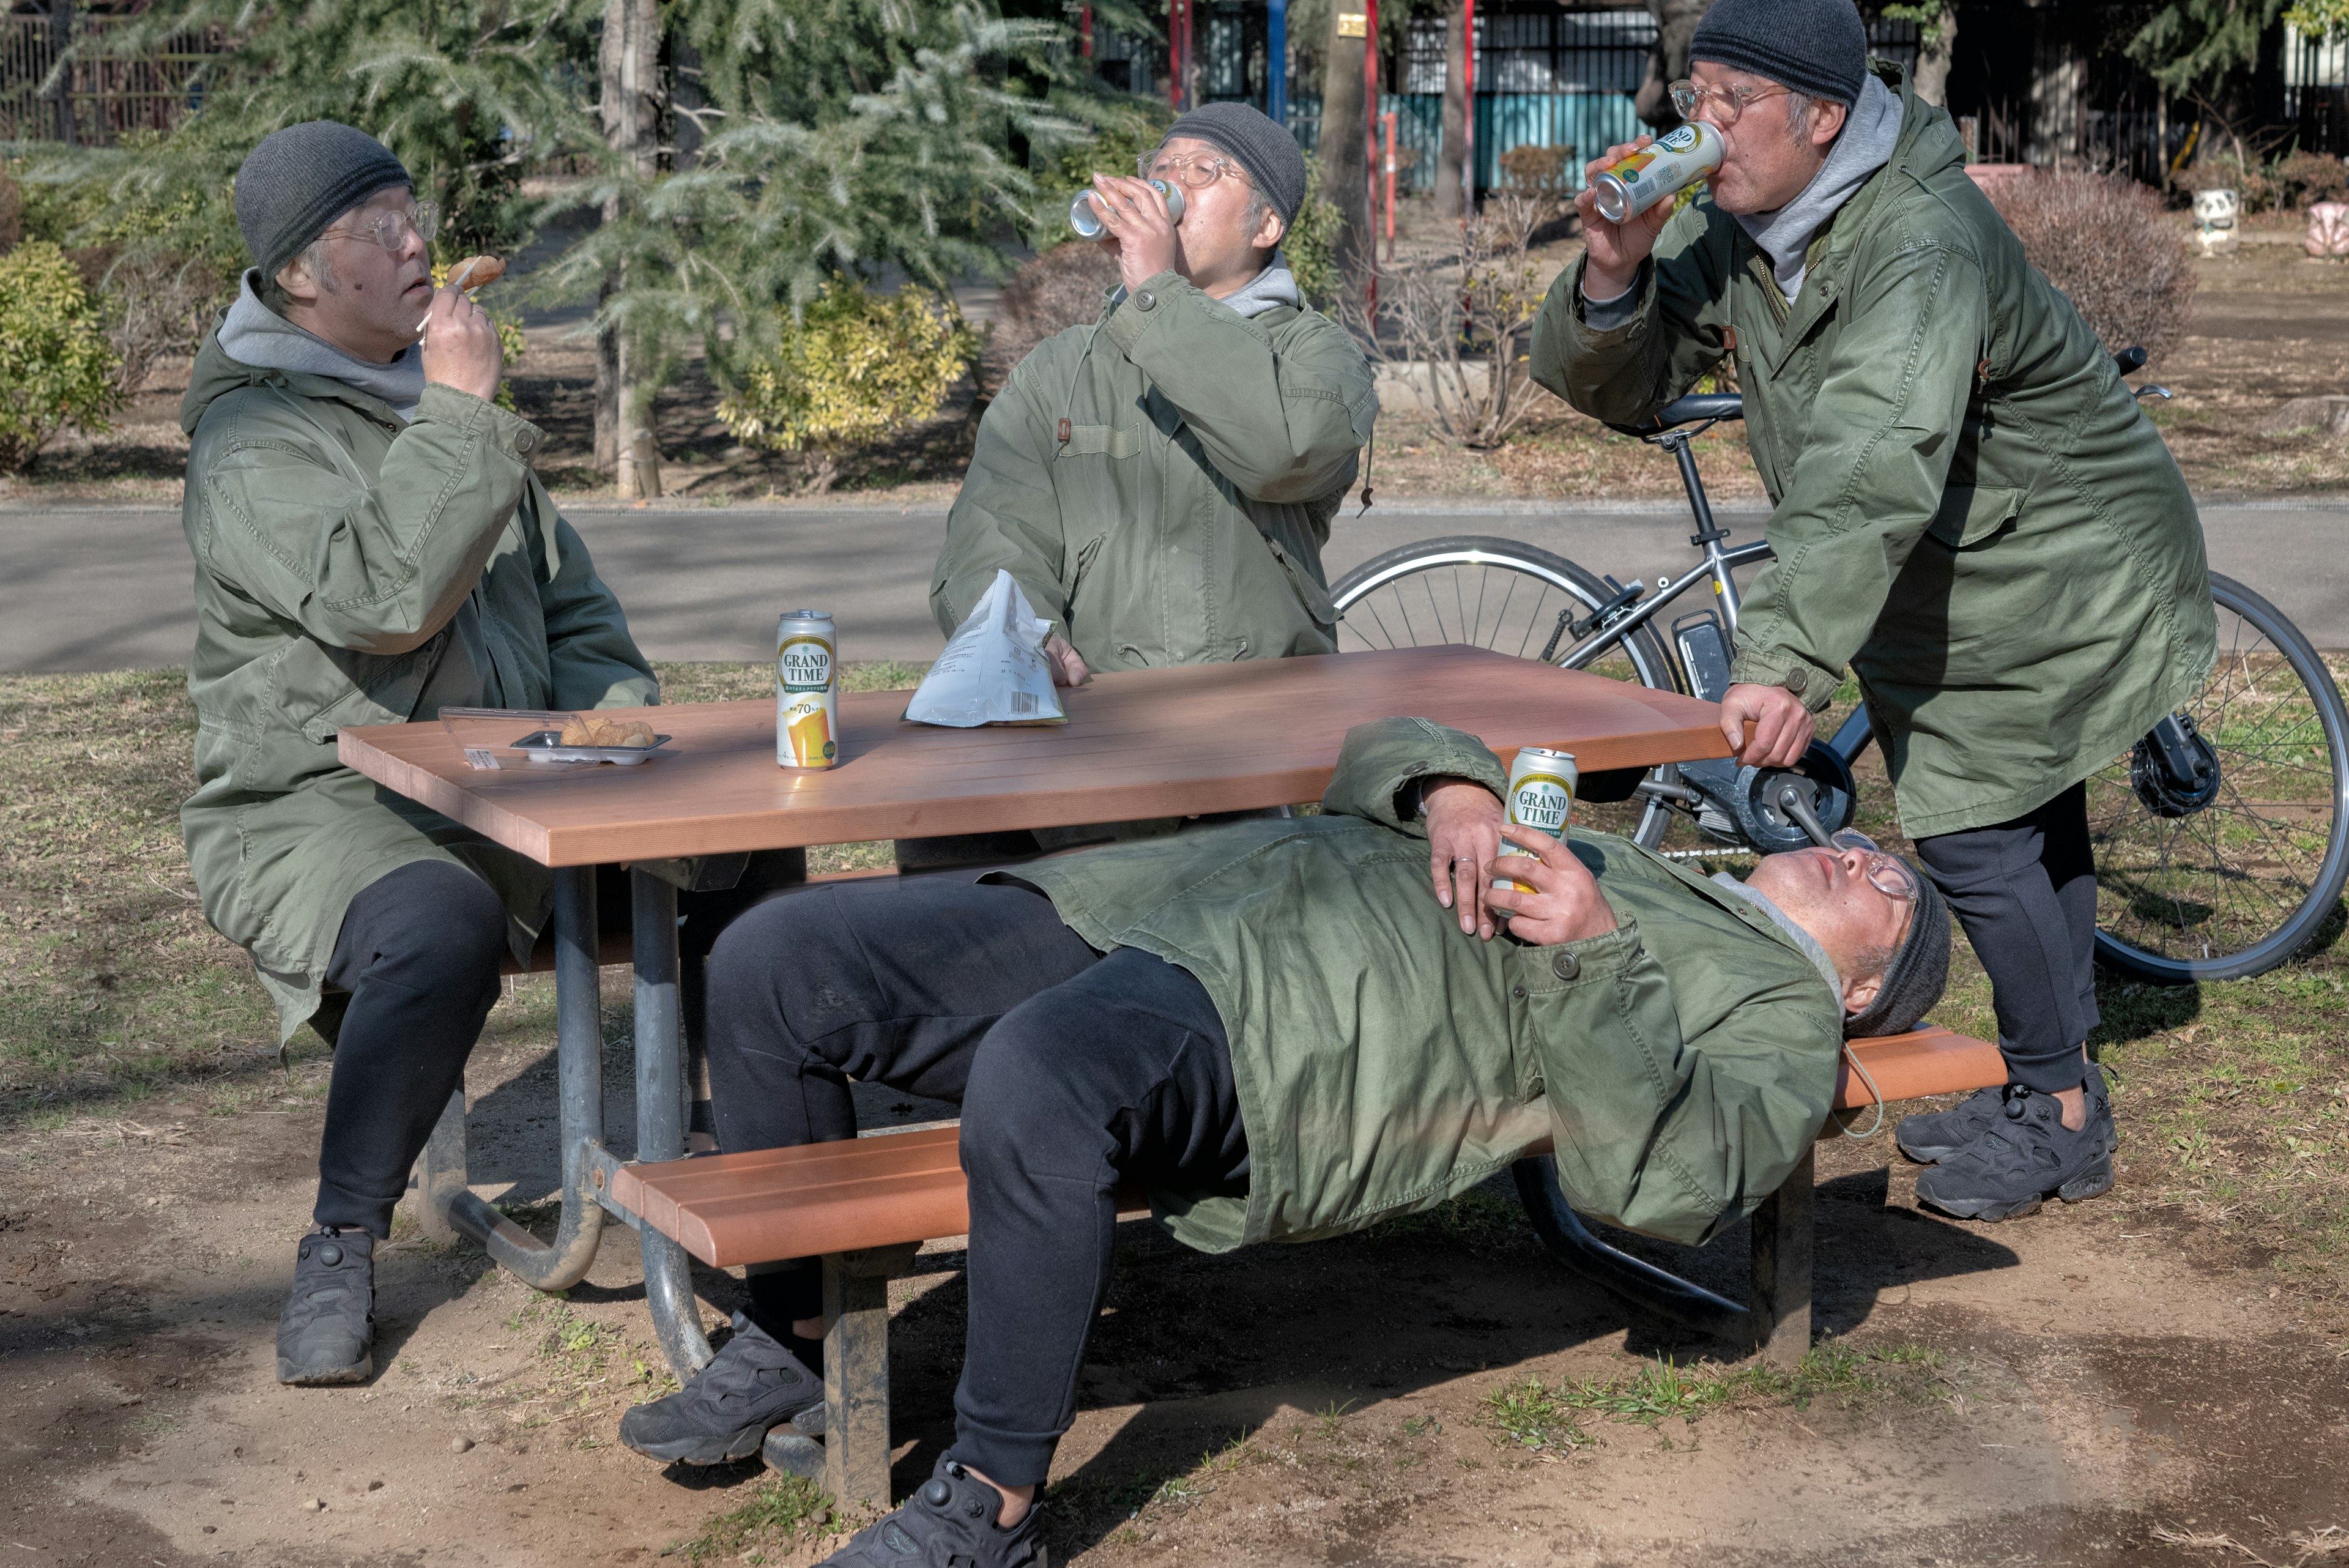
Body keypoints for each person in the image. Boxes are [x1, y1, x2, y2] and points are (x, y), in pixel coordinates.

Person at [619, 716, 1951, 1567]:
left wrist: (1597, 955)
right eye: (1866, 846)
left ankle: (991, 1500)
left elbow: (1665, 1181)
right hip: (1170, 902)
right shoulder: (1664, 860)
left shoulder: (1778, 1011)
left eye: (1891, 894)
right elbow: (1382, 741)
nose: (1861, 861)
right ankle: (789, 1339)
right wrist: (1448, 792)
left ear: (1859, 996)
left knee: (1043, 1074)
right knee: (777, 955)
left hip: (1305, 1025)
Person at [1529, 0, 2217, 1222]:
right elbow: (1627, 385)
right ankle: (2054, 1086)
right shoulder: (1747, 226)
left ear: (1825, 116)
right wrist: (1614, 269)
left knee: (1972, 834)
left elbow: (1873, 455)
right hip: (1965, 560)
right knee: (2023, 820)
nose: (1707, 127)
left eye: (1735, 104)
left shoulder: (1919, 239)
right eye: (1700, 98)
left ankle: (2056, 1110)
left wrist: (1785, 662)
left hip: (2062, 553)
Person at [178, 122, 770, 1387]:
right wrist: (457, 409)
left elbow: (575, 614)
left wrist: (624, 736)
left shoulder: (447, 412)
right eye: (377, 228)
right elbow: (383, 598)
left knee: (740, 849)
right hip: (323, 803)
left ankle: (759, 1174)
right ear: (297, 274)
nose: (418, 244)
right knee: (436, 920)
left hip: (521, 785)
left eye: (414, 212)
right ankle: (342, 1234)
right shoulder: (252, 441)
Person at [932, 102, 1376, 693]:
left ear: (1266, 225)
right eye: (1162, 167)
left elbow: (1282, 454)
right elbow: (995, 528)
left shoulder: (1317, 355)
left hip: (1267, 713)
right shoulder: (1061, 368)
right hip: (1097, 709)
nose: (1170, 185)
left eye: (1204, 170)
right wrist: (1024, 633)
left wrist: (1157, 296)